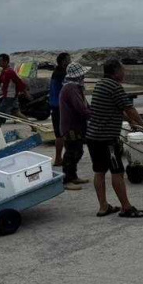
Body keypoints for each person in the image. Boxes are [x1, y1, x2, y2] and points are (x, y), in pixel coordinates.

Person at [86, 59, 143, 218]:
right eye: (123, 70)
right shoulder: (115, 87)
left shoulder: (101, 84)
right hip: (107, 138)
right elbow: (129, 108)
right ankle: (126, 208)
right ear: (115, 72)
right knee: (117, 172)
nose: (124, 73)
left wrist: (130, 121)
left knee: (99, 171)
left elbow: (115, 108)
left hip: (93, 136)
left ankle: (103, 207)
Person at [59, 62, 92, 190]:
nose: (84, 78)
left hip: (75, 125)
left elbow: (85, 106)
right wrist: (92, 115)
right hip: (71, 126)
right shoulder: (71, 88)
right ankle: (66, 180)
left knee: (78, 150)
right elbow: (80, 108)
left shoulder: (74, 87)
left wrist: (91, 111)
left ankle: (73, 176)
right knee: (72, 152)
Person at [0, 54, 28, 126]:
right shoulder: (4, 71)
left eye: (0, 61)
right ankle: (33, 126)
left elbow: (19, 83)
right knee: (16, 113)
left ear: (6, 61)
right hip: (9, 96)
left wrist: (26, 93)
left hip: (10, 97)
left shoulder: (10, 72)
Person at [49, 52, 71, 167]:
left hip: (54, 105)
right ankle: (59, 158)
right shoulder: (62, 74)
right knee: (62, 134)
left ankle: (60, 158)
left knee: (59, 134)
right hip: (60, 107)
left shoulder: (55, 72)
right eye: (69, 60)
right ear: (63, 62)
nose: (70, 62)